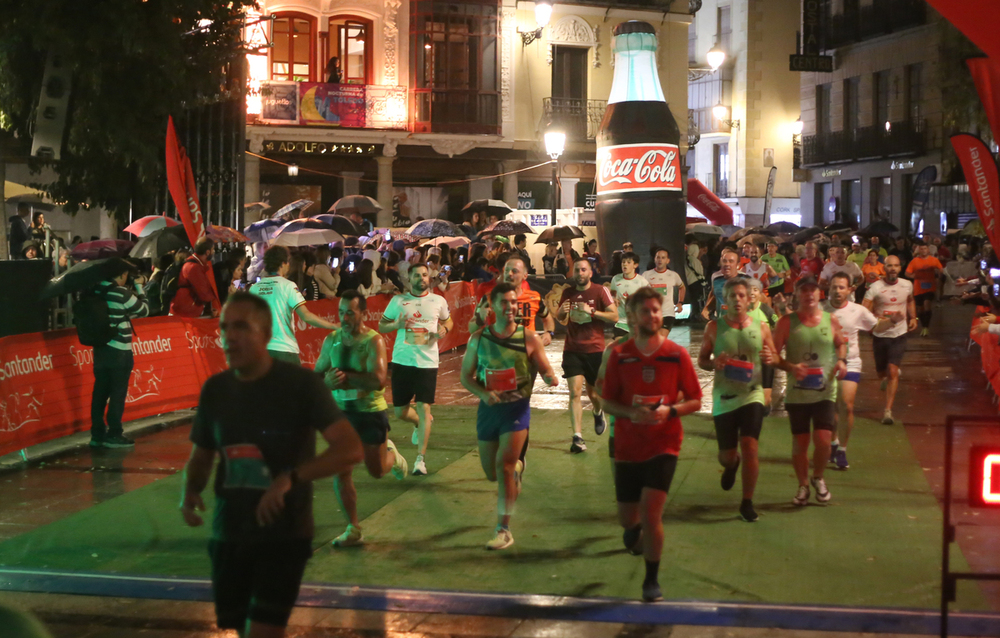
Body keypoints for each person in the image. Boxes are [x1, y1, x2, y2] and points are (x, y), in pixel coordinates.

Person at [180, 292, 362, 638]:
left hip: (284, 533)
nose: (229, 336)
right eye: (223, 328)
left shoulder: (301, 386)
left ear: (265, 334)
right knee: (240, 626)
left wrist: (290, 478)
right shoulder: (216, 390)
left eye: (241, 327)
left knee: (263, 629)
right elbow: (202, 454)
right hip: (229, 533)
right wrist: (190, 490)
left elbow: (350, 448)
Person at [600, 287, 703, 602]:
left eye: (657, 310)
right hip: (628, 448)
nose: (653, 316)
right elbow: (607, 402)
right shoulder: (620, 355)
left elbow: (697, 400)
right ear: (633, 316)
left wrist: (669, 411)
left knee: (651, 513)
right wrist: (631, 412)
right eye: (646, 311)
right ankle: (633, 535)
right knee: (629, 520)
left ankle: (651, 580)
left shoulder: (676, 354)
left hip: (664, 444)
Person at [461, 282, 558, 550]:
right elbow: (465, 377)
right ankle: (517, 468)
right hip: (489, 411)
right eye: (504, 302)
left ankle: (503, 529)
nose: (511, 307)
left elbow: (547, 369)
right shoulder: (478, 339)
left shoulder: (528, 338)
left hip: (516, 409)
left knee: (503, 468)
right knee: (492, 473)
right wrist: (482, 394)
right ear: (492, 305)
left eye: (514, 302)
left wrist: (551, 378)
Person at [315, 290, 408, 548]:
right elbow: (317, 373)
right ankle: (353, 527)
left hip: (369, 413)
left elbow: (378, 380)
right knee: (341, 472)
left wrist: (343, 377)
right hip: (341, 415)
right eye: (341, 312)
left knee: (376, 471)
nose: (344, 318)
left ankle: (393, 457)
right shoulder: (331, 340)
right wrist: (325, 381)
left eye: (350, 313)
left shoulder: (373, 341)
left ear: (363, 314)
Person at [698, 277, 776, 522]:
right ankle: (732, 465)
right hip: (724, 396)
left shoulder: (762, 328)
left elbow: (771, 356)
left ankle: (747, 502)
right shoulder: (713, 328)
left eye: (743, 295)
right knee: (727, 456)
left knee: (750, 445)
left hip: (751, 393)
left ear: (749, 298)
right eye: (733, 296)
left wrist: (768, 384)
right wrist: (713, 364)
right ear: (725, 300)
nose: (738, 300)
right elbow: (701, 360)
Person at [770, 275, 847, 506]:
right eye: (804, 290)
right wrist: (791, 367)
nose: (809, 294)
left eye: (813, 290)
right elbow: (773, 356)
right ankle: (803, 484)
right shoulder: (786, 322)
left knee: (823, 440)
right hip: (797, 393)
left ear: (819, 294)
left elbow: (841, 342)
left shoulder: (830, 320)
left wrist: (842, 360)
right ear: (797, 294)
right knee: (800, 443)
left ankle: (818, 477)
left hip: (825, 391)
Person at [379, 264, 453, 476]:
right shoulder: (398, 301)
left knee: (424, 407)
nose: (422, 278)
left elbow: (449, 321)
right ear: (409, 278)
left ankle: (420, 460)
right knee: (400, 411)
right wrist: (396, 325)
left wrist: (444, 328)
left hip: (428, 363)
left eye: (424, 275)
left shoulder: (438, 301)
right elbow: (381, 326)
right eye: (417, 275)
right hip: (402, 361)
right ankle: (420, 423)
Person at [823, 272, 885, 470]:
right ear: (829, 289)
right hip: (825, 365)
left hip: (850, 362)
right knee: (830, 407)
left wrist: (893, 322)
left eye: (842, 287)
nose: (837, 291)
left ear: (850, 290)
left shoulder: (857, 310)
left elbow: (876, 327)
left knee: (846, 406)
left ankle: (842, 448)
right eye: (834, 287)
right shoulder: (820, 309)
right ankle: (832, 443)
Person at [556, 259, 617, 452]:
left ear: (590, 273)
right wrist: (560, 312)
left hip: (595, 351)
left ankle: (598, 411)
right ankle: (577, 438)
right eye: (577, 270)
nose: (580, 273)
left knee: (594, 394)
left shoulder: (600, 291)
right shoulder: (568, 292)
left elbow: (614, 316)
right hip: (572, 349)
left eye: (583, 270)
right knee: (574, 393)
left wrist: (592, 311)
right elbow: (561, 318)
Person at [88, 261, 150, 449]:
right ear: (122, 275)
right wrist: (139, 286)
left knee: (99, 392)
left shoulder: (93, 292)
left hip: (100, 350)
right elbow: (144, 310)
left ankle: (97, 434)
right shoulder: (121, 293)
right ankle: (114, 433)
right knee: (117, 392)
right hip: (120, 351)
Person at [248, 246, 339, 365]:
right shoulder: (288, 286)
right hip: (284, 351)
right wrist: (333, 325)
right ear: (282, 263)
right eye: (288, 262)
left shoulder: (254, 288)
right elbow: (306, 316)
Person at [863, 255, 917, 424]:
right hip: (880, 335)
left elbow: (910, 300)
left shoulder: (907, 285)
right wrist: (875, 319)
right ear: (883, 268)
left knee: (893, 370)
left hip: (899, 335)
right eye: (889, 266)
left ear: (900, 268)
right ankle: (885, 378)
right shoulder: (875, 287)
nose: (893, 269)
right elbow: (864, 309)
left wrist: (913, 317)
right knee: (881, 373)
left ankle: (888, 411)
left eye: (896, 266)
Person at [170, 237, 221, 318]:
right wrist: (216, 295)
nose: (214, 252)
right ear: (208, 252)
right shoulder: (194, 268)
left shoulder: (196, 264)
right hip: (186, 312)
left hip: (187, 310)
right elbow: (204, 294)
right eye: (213, 249)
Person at [641, 248, 685, 335]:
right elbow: (640, 292)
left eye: (663, 258)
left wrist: (680, 302)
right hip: (651, 314)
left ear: (668, 261)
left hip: (667, 313)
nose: (660, 260)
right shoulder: (646, 275)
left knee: (660, 338)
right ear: (654, 259)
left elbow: (682, 287)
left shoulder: (673, 275)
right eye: (658, 257)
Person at [905, 241, 944, 337]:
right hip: (918, 288)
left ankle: (926, 327)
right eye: (921, 249)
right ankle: (923, 326)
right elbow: (907, 273)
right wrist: (914, 275)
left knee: (927, 304)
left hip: (930, 287)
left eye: (925, 248)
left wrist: (939, 275)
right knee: (920, 309)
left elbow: (941, 270)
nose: (923, 250)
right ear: (919, 250)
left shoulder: (934, 260)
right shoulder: (914, 261)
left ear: (928, 249)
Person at [610, 252, 649, 337]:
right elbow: (612, 295)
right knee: (620, 347)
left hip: (637, 323)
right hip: (620, 322)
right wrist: (613, 299)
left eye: (628, 262)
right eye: (623, 262)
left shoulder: (642, 282)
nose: (625, 265)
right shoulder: (615, 279)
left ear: (635, 265)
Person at [701, 248, 740, 321]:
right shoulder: (717, 281)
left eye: (731, 261)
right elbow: (714, 295)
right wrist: (706, 309)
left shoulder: (746, 281)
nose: (727, 264)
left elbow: (761, 299)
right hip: (722, 325)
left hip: (740, 326)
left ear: (737, 265)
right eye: (724, 261)